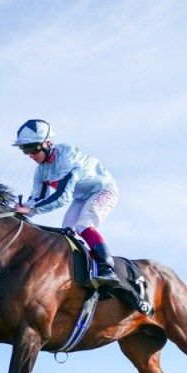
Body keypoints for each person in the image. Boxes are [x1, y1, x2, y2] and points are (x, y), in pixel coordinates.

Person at [12, 119, 121, 288]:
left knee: (84, 226)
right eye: (25, 150)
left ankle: (108, 270)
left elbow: (62, 197)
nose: (31, 155)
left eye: (34, 148)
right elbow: (37, 198)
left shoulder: (67, 157)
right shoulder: (40, 171)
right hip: (81, 196)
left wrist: (31, 209)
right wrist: (20, 209)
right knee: (66, 234)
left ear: (48, 143)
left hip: (102, 190)